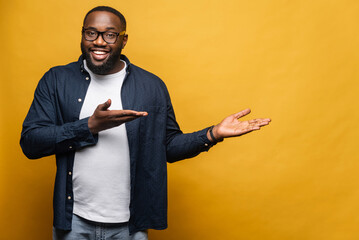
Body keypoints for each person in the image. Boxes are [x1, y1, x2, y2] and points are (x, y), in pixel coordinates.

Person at [20, 6, 271, 240]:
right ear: (83, 35)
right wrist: (89, 126)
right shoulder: (56, 80)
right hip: (73, 222)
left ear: (123, 40)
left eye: (109, 35)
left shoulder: (151, 87)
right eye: (91, 33)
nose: (99, 41)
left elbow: (168, 148)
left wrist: (213, 134)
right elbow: (31, 143)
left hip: (131, 225)